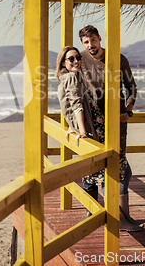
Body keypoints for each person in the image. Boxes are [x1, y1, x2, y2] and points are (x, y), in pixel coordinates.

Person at [78, 25, 144, 232]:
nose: (91, 46)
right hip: (92, 122)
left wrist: (129, 111)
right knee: (91, 165)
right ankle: (93, 211)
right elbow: (71, 90)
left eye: (93, 41)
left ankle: (121, 216)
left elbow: (131, 86)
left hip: (117, 120)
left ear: (99, 38)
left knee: (119, 166)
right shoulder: (78, 60)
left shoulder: (117, 58)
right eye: (86, 42)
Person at [56, 46, 106, 215]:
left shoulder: (74, 76)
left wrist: (72, 127)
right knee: (96, 169)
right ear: (63, 62)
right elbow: (76, 105)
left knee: (93, 169)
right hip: (92, 128)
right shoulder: (71, 77)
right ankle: (93, 211)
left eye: (78, 57)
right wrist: (82, 131)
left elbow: (68, 105)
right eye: (71, 59)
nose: (76, 61)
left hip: (94, 124)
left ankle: (93, 211)